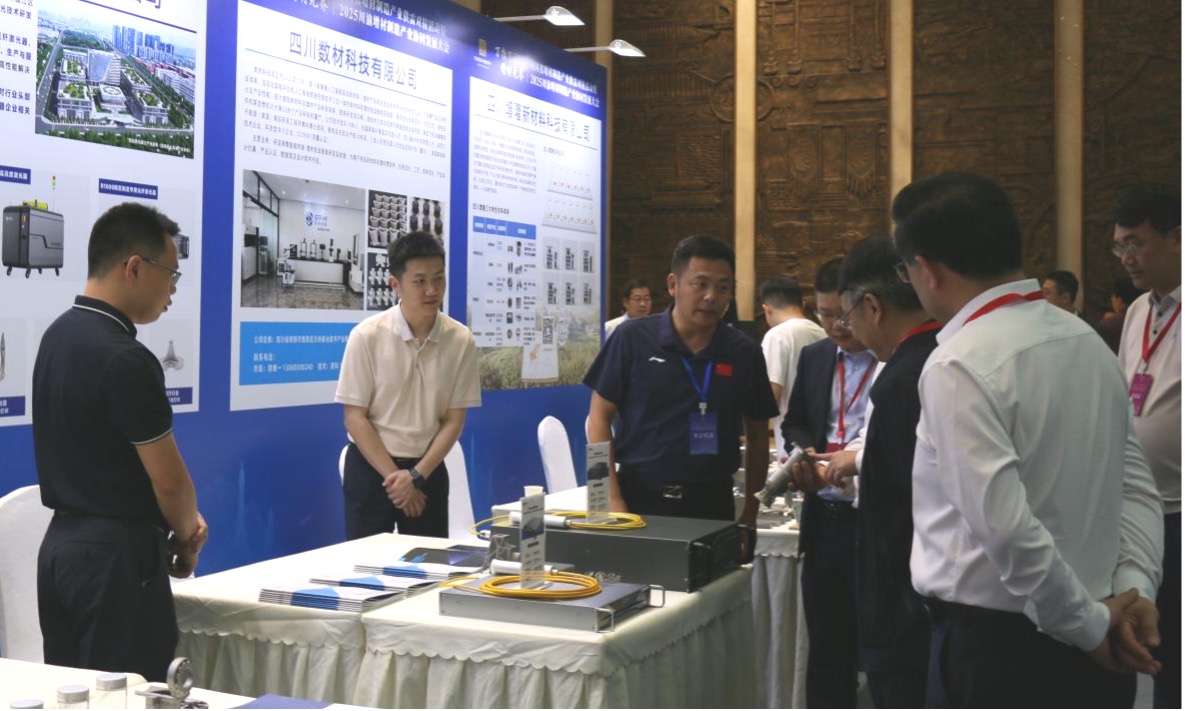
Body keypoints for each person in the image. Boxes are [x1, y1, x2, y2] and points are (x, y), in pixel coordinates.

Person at [895, 172, 1164, 707]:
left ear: (926, 269)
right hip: (1099, 625)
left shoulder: (958, 363)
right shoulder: (1086, 339)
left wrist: (1088, 626)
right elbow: (1136, 486)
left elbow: (1006, 530)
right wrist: (1135, 591)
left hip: (999, 654)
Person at [33, 202, 207, 682]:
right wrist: (187, 536)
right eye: (171, 274)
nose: (173, 290)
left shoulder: (56, 337)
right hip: (117, 560)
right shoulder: (125, 358)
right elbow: (169, 481)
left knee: (73, 694)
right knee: (129, 691)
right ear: (134, 267)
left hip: (61, 552)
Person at [584, 235, 777, 551]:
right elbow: (598, 419)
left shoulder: (743, 352)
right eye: (700, 284)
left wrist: (750, 514)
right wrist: (613, 499)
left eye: (723, 287)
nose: (711, 296)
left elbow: (757, 435)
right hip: (640, 499)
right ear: (673, 285)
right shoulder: (632, 339)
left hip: (712, 503)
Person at [823, 237, 939, 707]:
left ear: (872, 306)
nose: (846, 328)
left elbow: (900, 506)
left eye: (847, 316)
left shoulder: (905, 376)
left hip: (905, 605)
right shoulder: (938, 354)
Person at [336, 231, 481, 540]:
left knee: (429, 563)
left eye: (438, 279)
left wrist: (416, 477)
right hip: (372, 471)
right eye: (419, 281)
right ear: (395, 284)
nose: (432, 290)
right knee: (366, 565)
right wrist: (397, 479)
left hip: (427, 471)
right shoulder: (367, 336)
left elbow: (454, 420)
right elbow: (354, 417)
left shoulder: (461, 340)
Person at [781, 257, 877, 709]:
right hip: (824, 519)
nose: (836, 325)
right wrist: (804, 451)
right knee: (826, 646)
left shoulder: (890, 358)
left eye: (842, 314)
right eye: (824, 314)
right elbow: (795, 421)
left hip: (873, 522)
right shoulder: (816, 356)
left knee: (879, 648)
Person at [1112, 185, 1181, 708]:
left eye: (1135, 243)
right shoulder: (1138, 309)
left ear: (1177, 238)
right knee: (1157, 646)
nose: (1126, 257)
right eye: (1119, 246)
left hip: (1182, 507)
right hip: (1140, 507)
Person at [759, 276, 827, 454]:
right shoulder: (823, 333)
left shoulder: (776, 336)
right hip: (826, 439)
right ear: (802, 305)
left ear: (767, 309)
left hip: (793, 443)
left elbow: (770, 397)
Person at [1098, 276, 1146, 353]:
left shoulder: (1108, 325)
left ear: (1121, 301)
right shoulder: (1147, 318)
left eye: (1114, 297)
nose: (1112, 299)